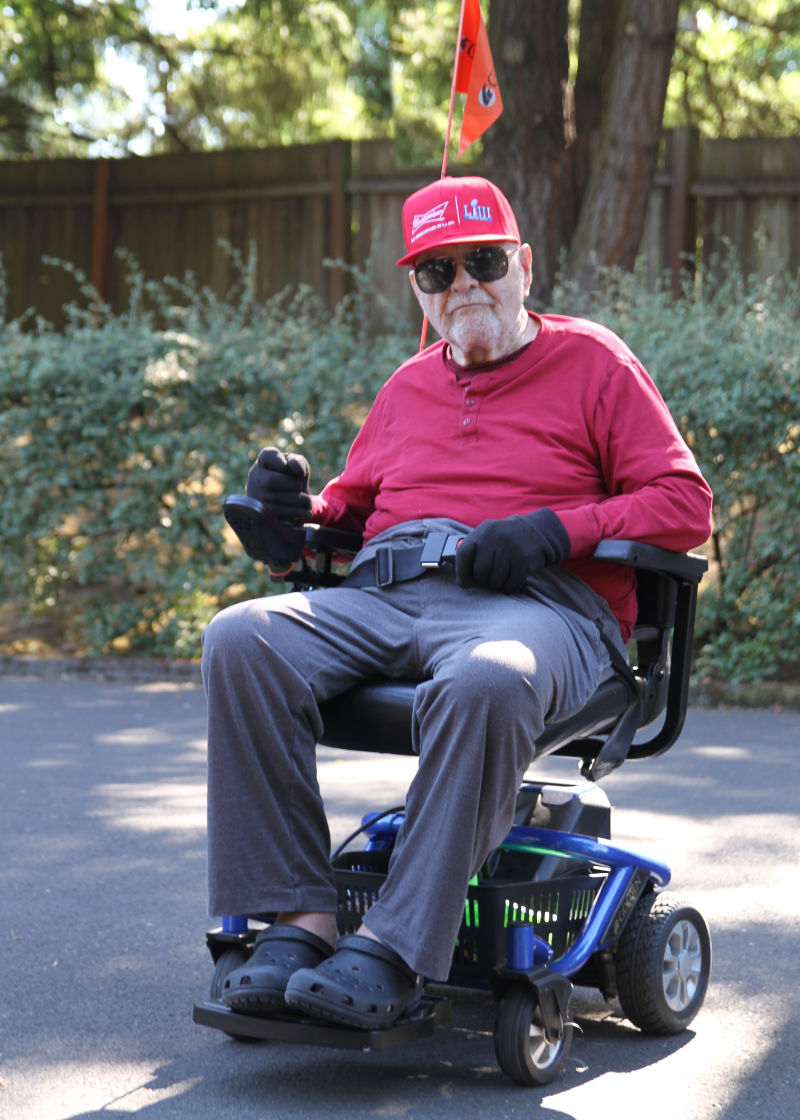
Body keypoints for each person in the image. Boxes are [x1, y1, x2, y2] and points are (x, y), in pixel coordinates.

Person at [201, 175, 713, 1030]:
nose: (464, 285)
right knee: (241, 639)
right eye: (439, 272)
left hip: (541, 609)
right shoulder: (407, 387)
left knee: (489, 676)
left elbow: (683, 503)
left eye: (482, 261)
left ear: (523, 265)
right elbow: (347, 514)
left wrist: (558, 531)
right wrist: (291, 526)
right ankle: (299, 921)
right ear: (418, 291)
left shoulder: (593, 360)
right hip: (388, 596)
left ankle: (397, 951)